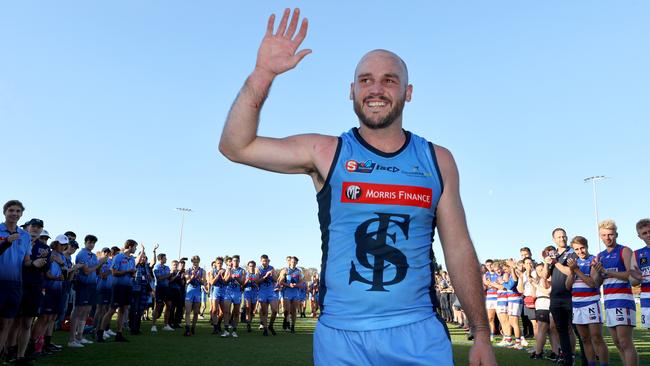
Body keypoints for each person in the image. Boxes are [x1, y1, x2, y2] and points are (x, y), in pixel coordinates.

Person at [218, 8, 495, 365]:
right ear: (351, 91)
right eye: (365, 80)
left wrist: (482, 334)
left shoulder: (437, 159)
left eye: (389, 80)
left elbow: (458, 247)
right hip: (341, 338)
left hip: (417, 333)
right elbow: (235, 146)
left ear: (408, 92)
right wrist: (263, 73)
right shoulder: (325, 152)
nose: (375, 89)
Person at [592, 220, 638, 366]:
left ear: (616, 234)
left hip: (623, 300)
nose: (607, 238)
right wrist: (599, 273)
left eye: (610, 234)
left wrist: (607, 271)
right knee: (617, 342)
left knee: (625, 342)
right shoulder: (600, 256)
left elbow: (632, 276)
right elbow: (596, 283)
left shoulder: (624, 250)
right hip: (609, 301)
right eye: (604, 235)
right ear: (600, 236)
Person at [9, 219, 50, 364]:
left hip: (34, 289)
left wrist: (39, 264)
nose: (35, 229)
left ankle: (21, 355)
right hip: (15, 285)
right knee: (12, 322)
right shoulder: (18, 241)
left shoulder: (44, 248)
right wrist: (32, 263)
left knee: (27, 323)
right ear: (27, 227)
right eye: (33, 226)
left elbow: (45, 269)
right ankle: (9, 351)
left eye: (39, 227)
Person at [565, 235, 609, 366]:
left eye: (582, 248)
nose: (580, 252)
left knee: (596, 338)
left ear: (587, 246)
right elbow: (567, 286)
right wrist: (572, 272)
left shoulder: (593, 260)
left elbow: (592, 283)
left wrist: (576, 270)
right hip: (577, 304)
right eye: (576, 249)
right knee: (584, 339)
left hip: (591, 302)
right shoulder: (574, 263)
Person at [542, 228, 583, 365]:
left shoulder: (572, 252)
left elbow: (570, 271)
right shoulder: (553, 255)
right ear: (554, 239)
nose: (562, 239)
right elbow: (544, 276)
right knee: (561, 330)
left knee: (577, 330)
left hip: (570, 296)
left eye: (564, 236)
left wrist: (556, 263)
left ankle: (585, 358)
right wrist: (547, 263)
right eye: (559, 237)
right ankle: (567, 359)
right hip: (555, 297)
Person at [0, 200, 32, 361]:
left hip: (15, 285)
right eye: (11, 210)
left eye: (18, 211)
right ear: (4, 212)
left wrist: (34, 263)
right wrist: (6, 242)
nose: (14, 213)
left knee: (6, 323)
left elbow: (26, 260)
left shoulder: (25, 236)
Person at [69, 234, 106, 347]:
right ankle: (72, 339)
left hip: (91, 285)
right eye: (90, 242)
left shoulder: (93, 255)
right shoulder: (82, 254)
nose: (92, 244)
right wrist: (99, 263)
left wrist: (100, 264)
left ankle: (80, 336)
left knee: (86, 311)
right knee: (78, 311)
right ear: (85, 242)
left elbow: (95, 271)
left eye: (93, 243)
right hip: (82, 284)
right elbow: (86, 271)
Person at [98, 239, 137, 342]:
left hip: (128, 286)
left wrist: (133, 274)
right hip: (118, 286)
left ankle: (119, 334)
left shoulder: (132, 259)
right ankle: (100, 332)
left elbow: (131, 272)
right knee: (111, 310)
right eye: (135, 247)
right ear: (130, 247)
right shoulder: (118, 257)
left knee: (123, 310)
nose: (135, 249)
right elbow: (114, 272)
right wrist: (128, 271)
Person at [630, 218, 650, 329]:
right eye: (644, 233)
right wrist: (637, 278)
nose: (648, 235)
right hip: (647, 297)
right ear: (640, 236)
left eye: (649, 231)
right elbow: (632, 282)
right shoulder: (637, 254)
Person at [279, 256, 304, 333]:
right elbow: (280, 282)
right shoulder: (285, 270)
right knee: (287, 310)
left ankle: (292, 327)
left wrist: (296, 285)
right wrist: (288, 285)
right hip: (287, 292)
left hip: (295, 292)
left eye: (295, 262)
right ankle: (286, 322)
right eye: (292, 262)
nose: (293, 263)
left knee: (294, 310)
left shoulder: (299, 271)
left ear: (297, 263)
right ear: (290, 262)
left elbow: (301, 283)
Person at [222, 255, 245, 338]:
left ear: (239, 261)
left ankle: (234, 330)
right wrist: (229, 275)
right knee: (226, 311)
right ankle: (226, 330)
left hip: (237, 293)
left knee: (236, 312)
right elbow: (224, 281)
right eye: (234, 260)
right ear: (232, 261)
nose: (235, 262)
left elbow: (242, 282)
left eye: (237, 260)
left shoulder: (242, 271)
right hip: (228, 292)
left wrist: (236, 278)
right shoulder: (228, 269)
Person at [256, 254, 278, 336]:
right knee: (264, 311)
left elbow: (276, 280)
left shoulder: (271, 268)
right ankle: (265, 328)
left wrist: (272, 275)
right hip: (262, 292)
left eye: (266, 261)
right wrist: (265, 276)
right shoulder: (258, 269)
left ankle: (271, 325)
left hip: (271, 291)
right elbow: (257, 281)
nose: (265, 262)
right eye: (263, 261)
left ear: (268, 260)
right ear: (261, 261)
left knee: (275, 310)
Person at [94, 247, 114, 341]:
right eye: (104, 252)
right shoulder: (99, 261)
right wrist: (109, 271)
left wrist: (110, 271)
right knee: (100, 309)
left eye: (108, 252)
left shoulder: (110, 262)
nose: (106, 253)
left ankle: (102, 330)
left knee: (105, 310)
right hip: (101, 287)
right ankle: (95, 330)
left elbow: (111, 272)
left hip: (109, 288)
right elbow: (101, 274)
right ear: (102, 253)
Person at [183, 255, 205, 336]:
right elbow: (187, 282)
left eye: (197, 262)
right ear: (192, 262)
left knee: (196, 313)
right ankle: (187, 328)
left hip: (197, 292)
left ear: (199, 262)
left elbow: (204, 282)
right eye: (194, 262)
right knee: (188, 311)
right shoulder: (188, 270)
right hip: (189, 292)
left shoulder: (202, 271)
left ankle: (193, 327)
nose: (195, 264)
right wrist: (192, 276)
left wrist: (199, 278)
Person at [151, 253, 173, 332]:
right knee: (158, 306)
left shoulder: (167, 267)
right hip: (159, 288)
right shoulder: (156, 267)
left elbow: (169, 278)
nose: (166, 259)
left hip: (166, 288)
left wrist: (172, 275)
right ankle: (153, 325)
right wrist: (168, 275)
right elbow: (159, 278)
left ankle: (166, 325)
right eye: (164, 258)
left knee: (169, 305)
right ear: (160, 259)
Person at [208, 257, 227, 334]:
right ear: (215, 263)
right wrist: (218, 275)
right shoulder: (212, 271)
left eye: (221, 263)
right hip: (215, 291)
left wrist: (223, 275)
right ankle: (215, 327)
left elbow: (225, 282)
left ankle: (218, 324)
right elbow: (212, 282)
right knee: (215, 310)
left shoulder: (225, 271)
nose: (219, 264)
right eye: (218, 263)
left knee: (223, 311)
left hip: (223, 291)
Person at [243, 260, 259, 332]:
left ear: (255, 267)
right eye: (250, 266)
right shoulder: (245, 274)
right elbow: (242, 285)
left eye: (253, 266)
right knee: (248, 308)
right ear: (248, 267)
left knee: (252, 310)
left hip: (255, 293)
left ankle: (250, 321)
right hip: (247, 292)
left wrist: (255, 283)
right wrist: (247, 281)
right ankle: (248, 325)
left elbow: (259, 284)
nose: (251, 267)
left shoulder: (257, 274)